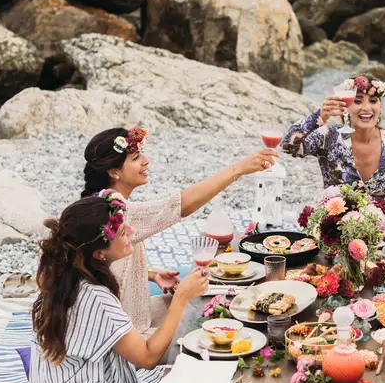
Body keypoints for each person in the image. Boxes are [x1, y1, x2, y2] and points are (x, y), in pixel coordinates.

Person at [30, 192, 210, 383]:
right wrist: (181, 299)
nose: (131, 232)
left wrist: (152, 275)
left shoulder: (62, 283)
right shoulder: (94, 298)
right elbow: (148, 356)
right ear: (99, 254)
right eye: (121, 231)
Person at [82, 127, 277, 334]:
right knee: (206, 322)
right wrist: (238, 169)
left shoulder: (100, 201)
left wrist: (151, 274)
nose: (146, 161)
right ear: (114, 172)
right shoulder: (114, 210)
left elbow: (102, 265)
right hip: (124, 329)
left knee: (204, 304)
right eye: (136, 157)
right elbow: (179, 206)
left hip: (136, 310)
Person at [281, 74, 385, 231]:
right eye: (357, 101)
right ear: (346, 105)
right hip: (334, 237)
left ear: (381, 106)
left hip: (379, 238)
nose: (366, 108)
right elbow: (287, 145)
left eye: (373, 101)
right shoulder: (327, 136)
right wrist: (320, 116)